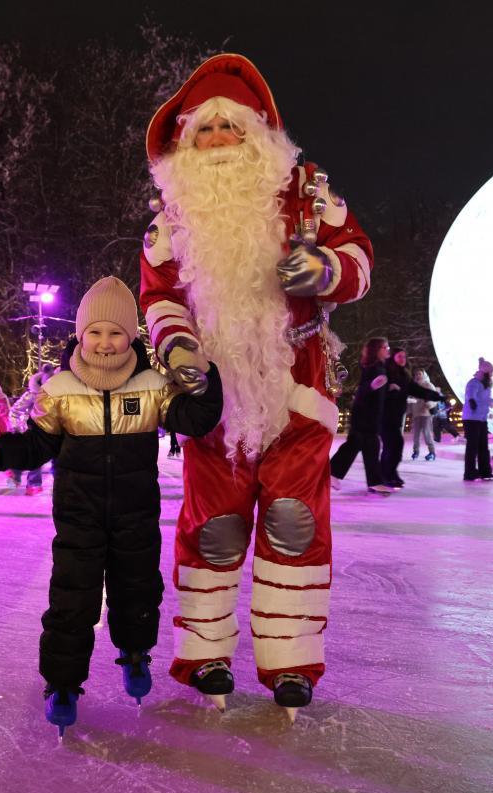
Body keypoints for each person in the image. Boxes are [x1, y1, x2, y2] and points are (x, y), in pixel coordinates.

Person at [139, 54, 374, 715]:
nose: (217, 142)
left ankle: (292, 663)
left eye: (230, 129)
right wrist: (176, 345)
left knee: (293, 523)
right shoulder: (171, 218)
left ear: (256, 134)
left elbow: (358, 258)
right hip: (213, 397)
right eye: (204, 132)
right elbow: (158, 293)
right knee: (213, 527)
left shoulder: (307, 193)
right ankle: (206, 653)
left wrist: (325, 269)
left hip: (295, 390)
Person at [0, 276, 223, 736]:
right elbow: (38, 443)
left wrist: (207, 374)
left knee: (138, 592)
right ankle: (62, 684)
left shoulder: (153, 386)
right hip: (79, 519)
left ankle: (135, 652)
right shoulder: (62, 389)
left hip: (135, 517)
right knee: (71, 600)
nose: (105, 343)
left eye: (116, 332)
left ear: (131, 337)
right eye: (96, 332)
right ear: (80, 336)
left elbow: (199, 419)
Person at [330, 338, 394, 494]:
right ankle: (331, 472)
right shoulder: (373, 367)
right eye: (384, 347)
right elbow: (362, 391)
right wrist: (372, 386)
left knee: (370, 447)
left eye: (387, 346)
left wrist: (388, 388)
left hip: (370, 416)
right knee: (355, 444)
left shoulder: (379, 367)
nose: (388, 349)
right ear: (376, 350)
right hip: (364, 416)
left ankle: (374, 482)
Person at [379, 348, 443, 488]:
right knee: (391, 446)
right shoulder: (386, 372)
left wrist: (435, 396)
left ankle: (390, 473)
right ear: (393, 357)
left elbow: (417, 390)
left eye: (404, 356)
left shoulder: (404, 375)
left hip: (396, 416)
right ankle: (385, 475)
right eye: (399, 356)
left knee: (396, 446)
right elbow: (378, 390)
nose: (403, 359)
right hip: (385, 415)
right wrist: (389, 389)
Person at [7, 363, 56, 494]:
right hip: (32, 430)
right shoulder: (32, 394)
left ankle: (40, 483)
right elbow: (15, 411)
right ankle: (22, 478)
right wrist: (18, 427)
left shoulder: (57, 396)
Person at [462, 357, 493, 482]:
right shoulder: (474, 382)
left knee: (483, 446)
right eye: (491, 372)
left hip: (481, 418)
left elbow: (486, 399)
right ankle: (469, 472)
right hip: (471, 418)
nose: (492, 375)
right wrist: (472, 401)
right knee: (472, 446)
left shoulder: (486, 385)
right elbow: (470, 394)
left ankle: (485, 471)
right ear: (485, 372)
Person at [408, 370, 440, 461]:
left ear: (424, 375)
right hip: (416, 414)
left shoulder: (428, 385)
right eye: (416, 374)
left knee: (427, 433)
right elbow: (411, 398)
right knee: (415, 435)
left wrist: (429, 403)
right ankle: (416, 451)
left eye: (420, 374)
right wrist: (409, 403)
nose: (418, 375)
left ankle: (432, 452)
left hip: (426, 413)